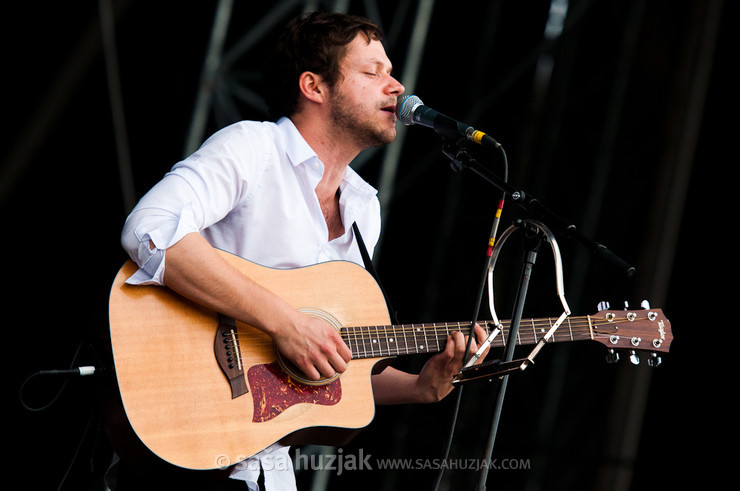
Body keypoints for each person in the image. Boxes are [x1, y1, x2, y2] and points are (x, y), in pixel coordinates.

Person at [116, 11, 488, 490]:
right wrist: (284, 322)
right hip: (184, 436)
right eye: (373, 72)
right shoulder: (255, 147)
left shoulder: (363, 207)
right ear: (314, 86)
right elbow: (150, 230)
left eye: (392, 72)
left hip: (265, 468)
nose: (396, 87)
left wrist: (418, 387)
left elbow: (330, 365)